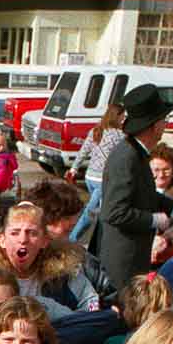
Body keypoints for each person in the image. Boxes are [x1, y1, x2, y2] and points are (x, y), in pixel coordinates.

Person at [95, 85, 173, 293]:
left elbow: (144, 194)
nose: (165, 126)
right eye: (164, 121)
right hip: (121, 260)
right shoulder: (126, 157)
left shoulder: (137, 153)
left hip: (132, 254)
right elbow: (115, 212)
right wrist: (153, 220)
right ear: (154, 125)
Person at [68, 102, 126, 246]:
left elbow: (84, 151)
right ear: (116, 117)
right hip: (103, 179)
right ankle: (72, 239)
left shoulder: (96, 130)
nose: (124, 120)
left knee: (99, 210)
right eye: (123, 117)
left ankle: (98, 240)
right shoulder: (119, 135)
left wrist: (74, 168)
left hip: (90, 177)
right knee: (92, 211)